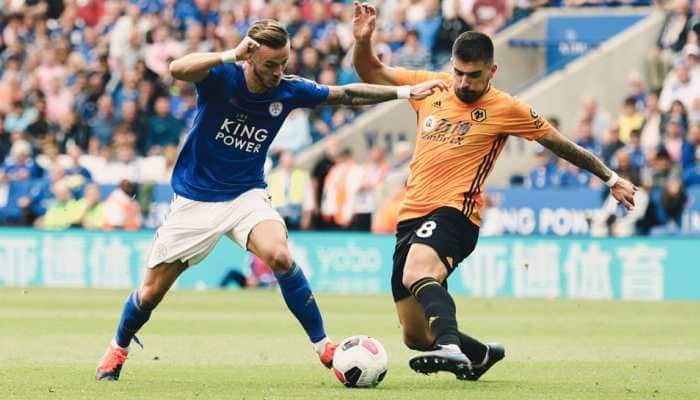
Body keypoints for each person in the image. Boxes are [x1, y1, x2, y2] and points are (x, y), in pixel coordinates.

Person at [95, 19, 447, 381]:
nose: (278, 73)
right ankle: (117, 348)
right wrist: (229, 54)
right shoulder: (222, 78)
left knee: (279, 255)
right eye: (269, 65)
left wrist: (405, 93)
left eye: (283, 64)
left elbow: (344, 94)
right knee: (151, 293)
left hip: (247, 194)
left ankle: (323, 345)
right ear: (249, 57)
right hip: (196, 199)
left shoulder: (289, 90)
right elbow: (176, 69)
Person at [352, 2, 637, 381]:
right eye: (458, 73)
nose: (463, 83)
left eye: (473, 75)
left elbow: (561, 144)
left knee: (418, 271)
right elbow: (371, 70)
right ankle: (482, 355)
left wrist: (610, 178)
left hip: (457, 213)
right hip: (411, 217)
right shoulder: (429, 86)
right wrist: (363, 41)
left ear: (492, 71)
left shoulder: (506, 108)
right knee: (416, 337)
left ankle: (451, 346)